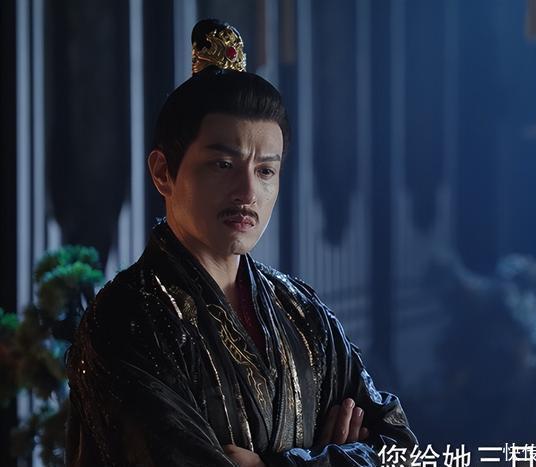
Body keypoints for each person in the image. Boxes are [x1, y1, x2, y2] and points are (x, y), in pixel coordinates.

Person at [65, 18, 417, 466]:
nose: (248, 192)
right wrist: (332, 455)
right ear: (163, 172)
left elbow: (401, 450)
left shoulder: (301, 311)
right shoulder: (127, 320)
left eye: (265, 170)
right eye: (223, 165)